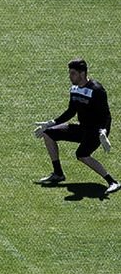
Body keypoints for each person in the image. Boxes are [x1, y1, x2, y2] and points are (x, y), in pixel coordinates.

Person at [34, 59, 120, 194]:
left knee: (82, 155)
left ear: (82, 73)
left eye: (73, 73)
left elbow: (106, 115)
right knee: (48, 133)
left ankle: (113, 182)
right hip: (82, 128)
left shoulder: (97, 90)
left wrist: (104, 131)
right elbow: (71, 112)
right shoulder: (74, 89)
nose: (70, 76)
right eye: (70, 73)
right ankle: (58, 174)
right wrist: (51, 123)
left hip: (97, 132)